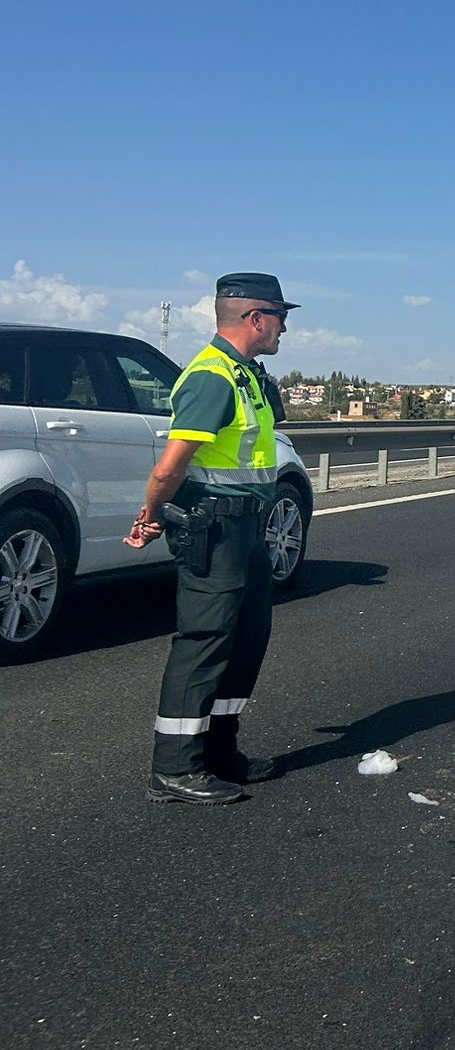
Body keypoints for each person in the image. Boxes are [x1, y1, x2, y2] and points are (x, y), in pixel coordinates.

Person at [127, 272, 296, 804]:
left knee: (247, 636)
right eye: (280, 317)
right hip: (213, 526)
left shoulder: (248, 375)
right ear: (256, 318)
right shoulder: (212, 377)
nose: (284, 329)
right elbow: (169, 467)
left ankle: (220, 750)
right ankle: (174, 767)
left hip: (247, 527)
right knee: (204, 641)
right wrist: (152, 512)